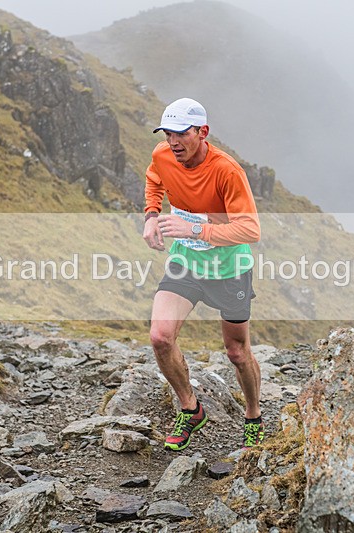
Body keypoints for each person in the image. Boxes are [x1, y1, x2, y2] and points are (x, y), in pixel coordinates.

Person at [142, 97, 264, 451]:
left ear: (202, 132)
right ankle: (190, 408)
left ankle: (254, 415)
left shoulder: (226, 170)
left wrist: (194, 229)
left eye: (181, 133)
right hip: (186, 263)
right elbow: (154, 179)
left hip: (229, 269)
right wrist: (152, 216)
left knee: (237, 352)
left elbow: (250, 230)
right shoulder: (163, 155)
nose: (173, 142)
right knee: (160, 337)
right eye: (168, 134)